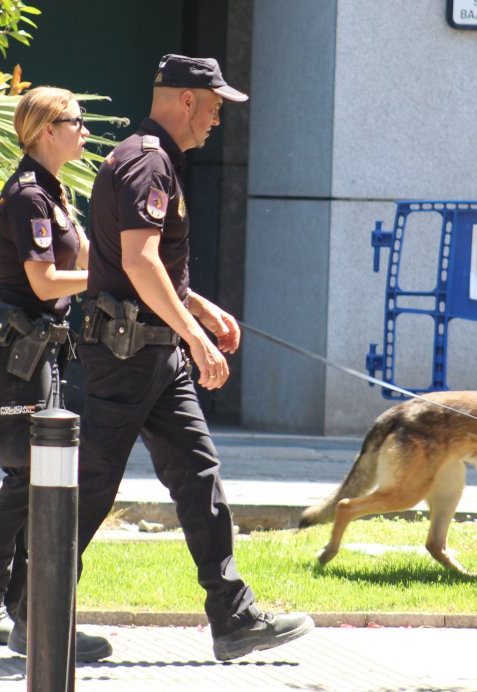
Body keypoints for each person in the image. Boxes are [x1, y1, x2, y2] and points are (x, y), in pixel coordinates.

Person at [77, 54, 314, 661]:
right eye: (214, 107)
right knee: (91, 485)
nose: (217, 120)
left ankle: (233, 618)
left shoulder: (149, 157)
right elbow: (137, 262)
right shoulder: (149, 161)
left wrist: (200, 310)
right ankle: (33, 611)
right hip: (130, 356)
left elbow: (147, 267)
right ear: (187, 99)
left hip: (153, 354)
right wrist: (196, 335)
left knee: (198, 475)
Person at [0, 86, 111, 662]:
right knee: (26, 476)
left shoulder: (54, 190)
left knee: (38, 478)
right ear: (48, 130)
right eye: (77, 122)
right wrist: (107, 284)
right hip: (18, 353)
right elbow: (45, 284)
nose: (85, 131)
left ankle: (23, 608)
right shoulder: (25, 197)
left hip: (42, 349)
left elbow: (90, 257)